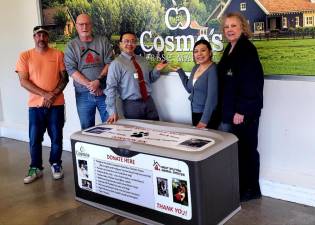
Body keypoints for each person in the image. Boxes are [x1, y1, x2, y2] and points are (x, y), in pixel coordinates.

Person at [217, 12, 264, 201]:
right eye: (227, 27)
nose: (229, 29)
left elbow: (253, 83)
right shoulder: (230, 48)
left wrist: (242, 110)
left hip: (243, 113)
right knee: (238, 151)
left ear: (243, 28)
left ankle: (251, 190)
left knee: (247, 151)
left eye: (233, 26)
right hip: (230, 111)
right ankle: (241, 186)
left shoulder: (247, 50)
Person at [15, 26, 68, 184]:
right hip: (35, 106)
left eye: (44, 35)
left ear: (48, 38)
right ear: (34, 37)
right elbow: (23, 81)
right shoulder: (25, 56)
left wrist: (52, 96)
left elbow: (64, 78)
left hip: (56, 105)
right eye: (38, 35)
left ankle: (56, 164)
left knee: (56, 137)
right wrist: (45, 94)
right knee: (34, 138)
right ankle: (35, 168)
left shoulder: (58, 54)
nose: (41, 38)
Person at [105, 31, 168, 123]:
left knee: (155, 130)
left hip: (149, 102)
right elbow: (111, 88)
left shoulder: (143, 61)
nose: (130, 44)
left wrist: (157, 70)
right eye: (126, 41)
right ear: (120, 44)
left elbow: (150, 79)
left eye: (133, 41)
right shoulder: (116, 64)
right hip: (131, 105)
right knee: (137, 133)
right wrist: (112, 111)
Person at [64, 14, 113, 129]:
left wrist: (98, 82)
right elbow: (71, 69)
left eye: (87, 24)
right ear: (76, 26)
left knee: (111, 126)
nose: (84, 27)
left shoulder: (103, 41)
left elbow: (110, 63)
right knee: (87, 129)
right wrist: (91, 86)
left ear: (91, 25)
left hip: (104, 91)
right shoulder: (71, 46)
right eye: (81, 24)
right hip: (83, 94)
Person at [172, 39, 218, 129]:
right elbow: (190, 89)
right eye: (196, 51)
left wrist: (204, 121)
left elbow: (212, 98)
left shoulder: (213, 70)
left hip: (207, 115)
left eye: (203, 50)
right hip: (195, 112)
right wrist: (180, 72)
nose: (199, 54)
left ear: (210, 52)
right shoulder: (196, 67)